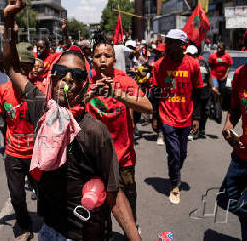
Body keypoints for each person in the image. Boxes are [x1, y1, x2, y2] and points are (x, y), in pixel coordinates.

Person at [3, 0, 141, 241]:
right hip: (50, 230)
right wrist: (8, 20)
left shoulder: (94, 131)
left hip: (87, 234)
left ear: (84, 84)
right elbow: (11, 67)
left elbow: (114, 193)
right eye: (61, 71)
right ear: (52, 77)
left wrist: (134, 236)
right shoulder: (42, 111)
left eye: (76, 75)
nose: (67, 78)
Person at [86, 42, 152, 223]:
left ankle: (131, 231)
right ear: (92, 60)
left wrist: (118, 94)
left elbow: (148, 107)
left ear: (114, 59)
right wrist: (89, 94)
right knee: (99, 208)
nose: (103, 60)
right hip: (94, 160)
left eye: (107, 56)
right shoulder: (85, 82)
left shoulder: (125, 81)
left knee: (128, 206)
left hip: (124, 158)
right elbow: (68, 109)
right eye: (98, 56)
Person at [0, 42, 37, 240]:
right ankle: (24, 226)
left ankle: (54, 225)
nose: (17, 72)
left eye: (22, 67)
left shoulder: (41, 90)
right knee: (17, 196)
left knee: (47, 195)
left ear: (29, 68)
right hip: (13, 154)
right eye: (14, 68)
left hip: (39, 154)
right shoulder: (3, 91)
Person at [218, 20, 247, 241]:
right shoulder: (241, 74)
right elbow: (235, 109)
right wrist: (229, 126)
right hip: (243, 155)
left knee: (246, 210)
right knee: (224, 199)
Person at [151, 29, 204, 205]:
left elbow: (197, 93)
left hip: (186, 116)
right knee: (173, 152)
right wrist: (155, 117)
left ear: (182, 45)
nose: (167, 45)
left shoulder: (193, 64)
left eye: (172, 42)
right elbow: (156, 93)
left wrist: (196, 117)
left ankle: (175, 171)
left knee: (182, 153)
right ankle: (175, 184)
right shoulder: (159, 65)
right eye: (167, 41)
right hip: (166, 116)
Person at [185, 45, 213, 139]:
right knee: (203, 111)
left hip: (198, 91)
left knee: (198, 111)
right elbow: (209, 76)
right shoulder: (203, 62)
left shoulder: (191, 63)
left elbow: (208, 76)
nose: (189, 56)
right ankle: (200, 130)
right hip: (203, 90)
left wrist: (213, 88)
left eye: (190, 54)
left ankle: (197, 131)